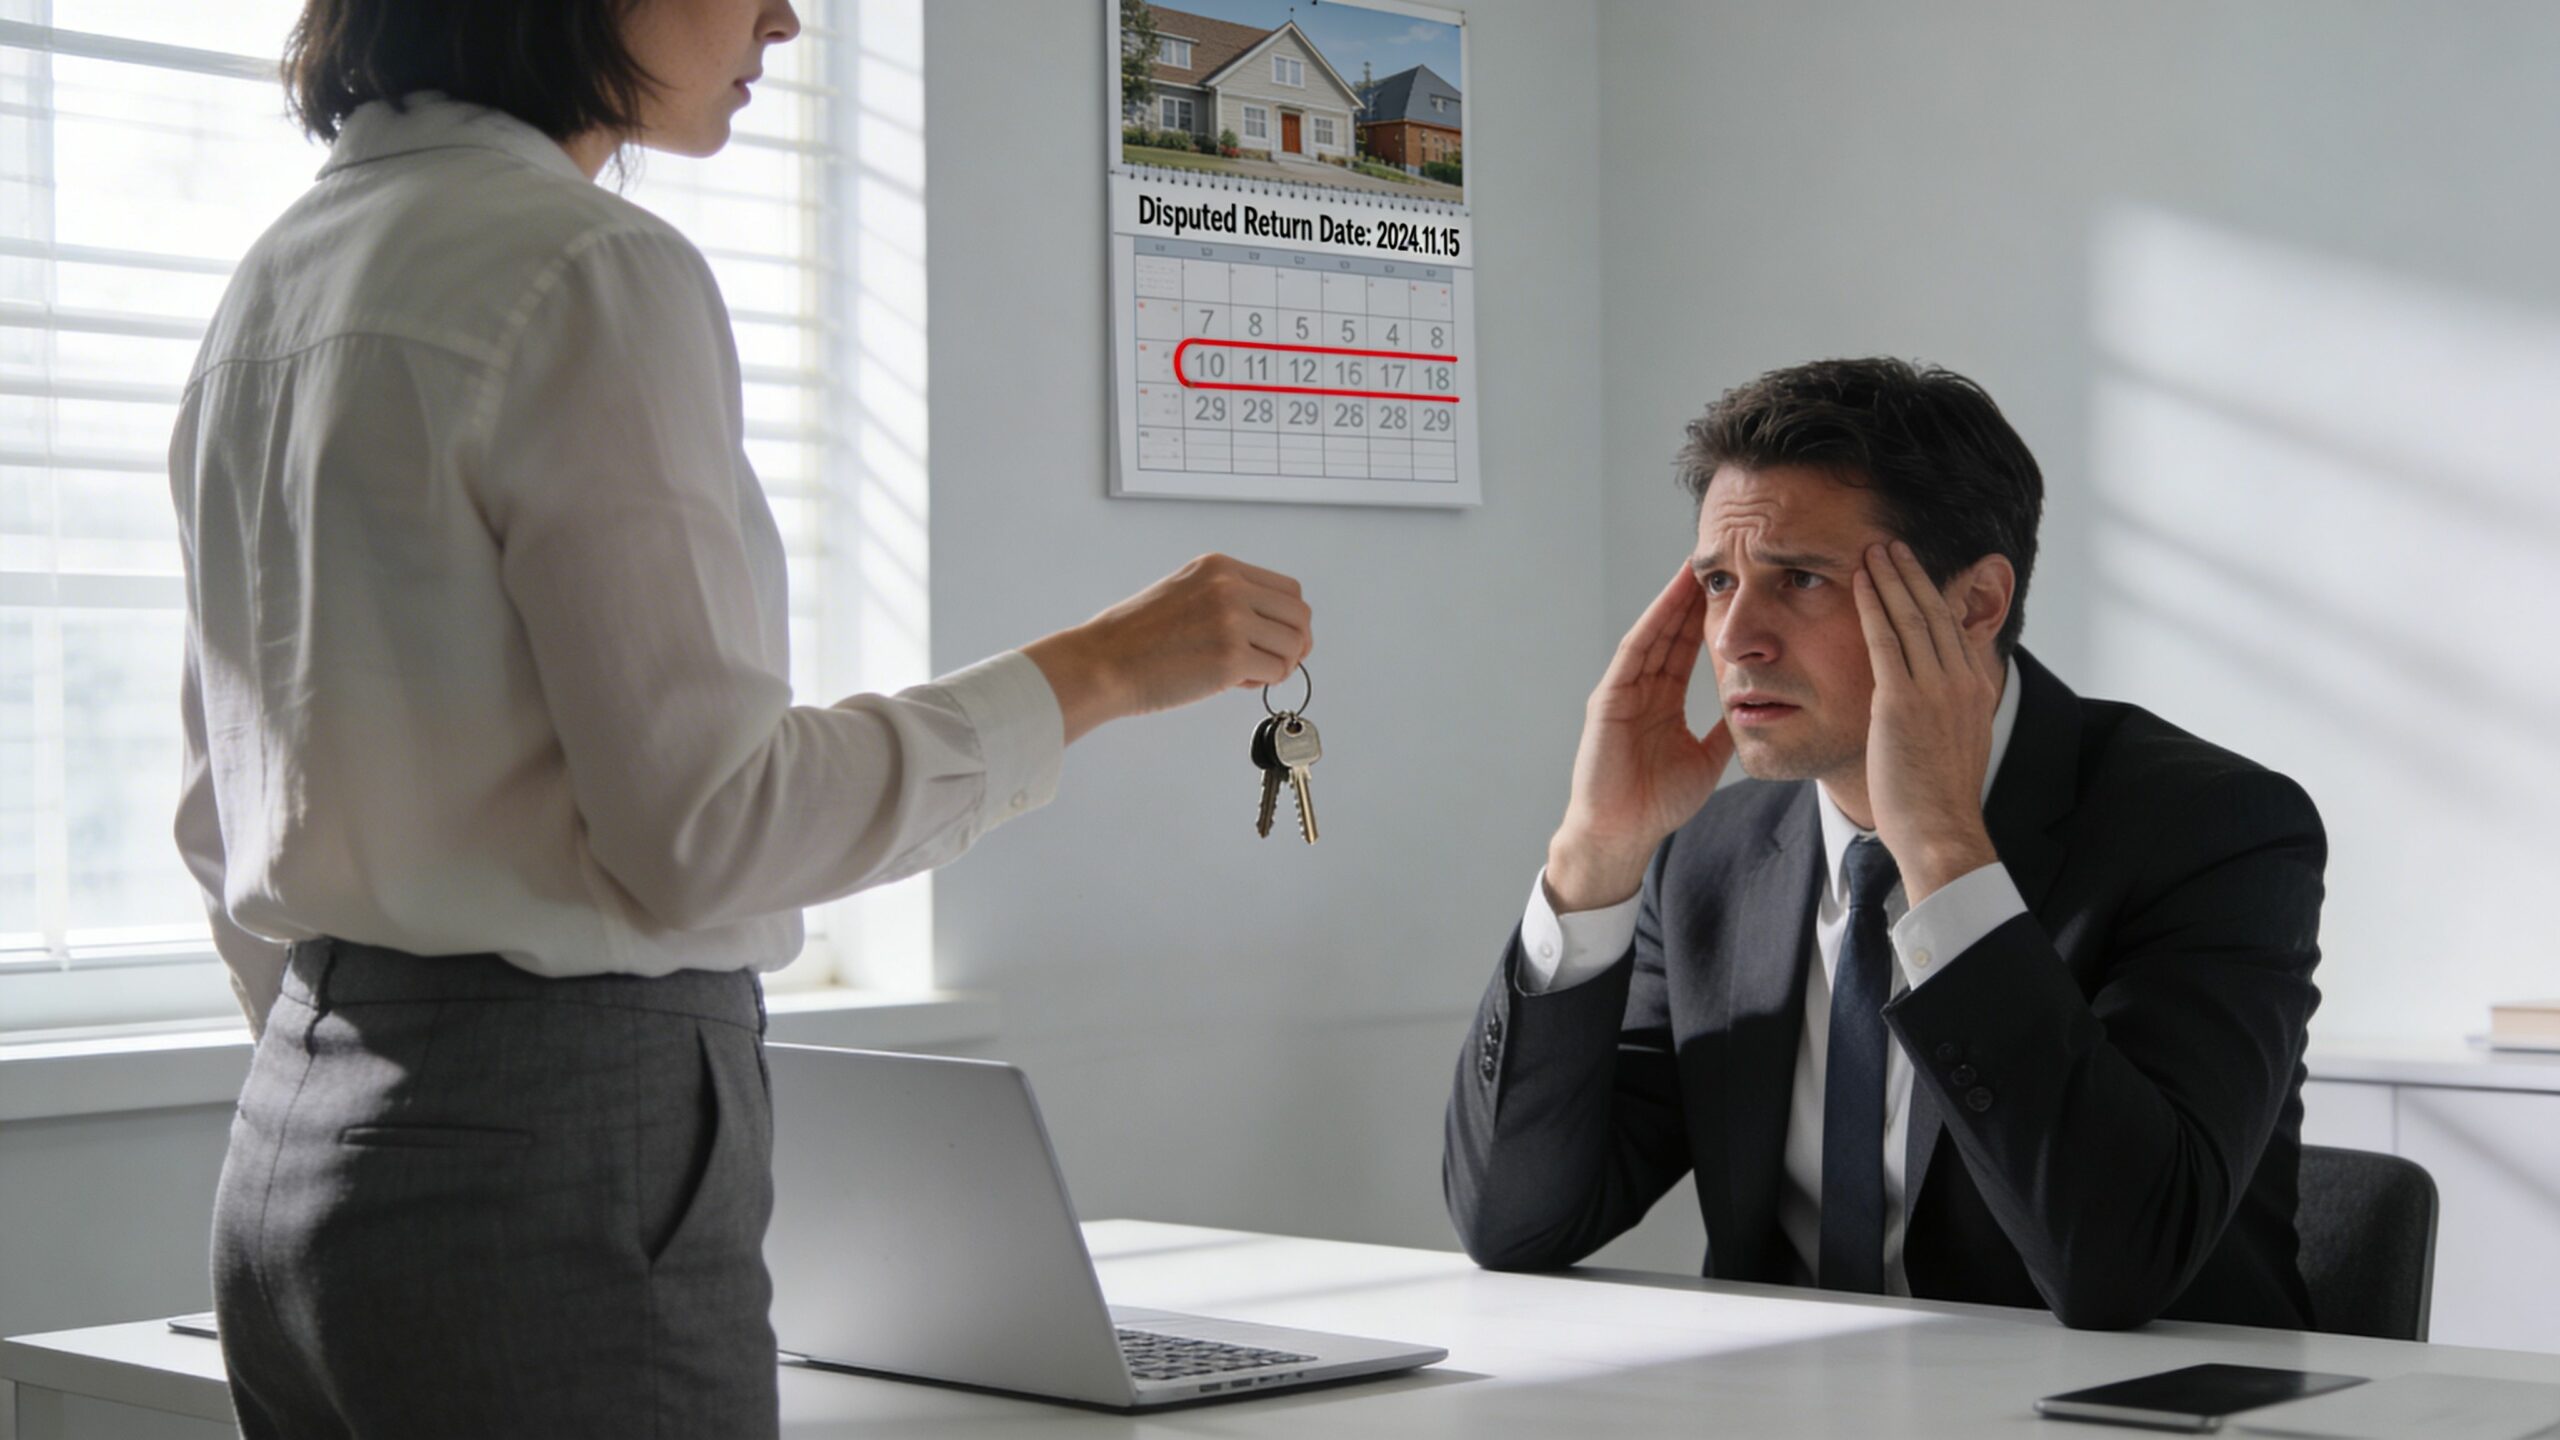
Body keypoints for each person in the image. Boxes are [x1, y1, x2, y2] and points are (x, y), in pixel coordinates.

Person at [170, 2, 1313, 1434]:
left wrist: (375, 1061)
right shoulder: (587, 268)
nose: (785, 14)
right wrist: (1097, 673)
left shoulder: (274, 285)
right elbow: (712, 829)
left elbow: (225, 813)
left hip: (298, 1153)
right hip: (557, 1158)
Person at [1443, 357, 2325, 1331]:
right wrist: (1593, 851)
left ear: (1974, 605)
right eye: (1718, 580)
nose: (1734, 637)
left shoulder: (2215, 830)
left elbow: (2119, 1266)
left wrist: (1943, 850)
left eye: (1801, 578)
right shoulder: (1712, 858)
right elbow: (1514, 1226)